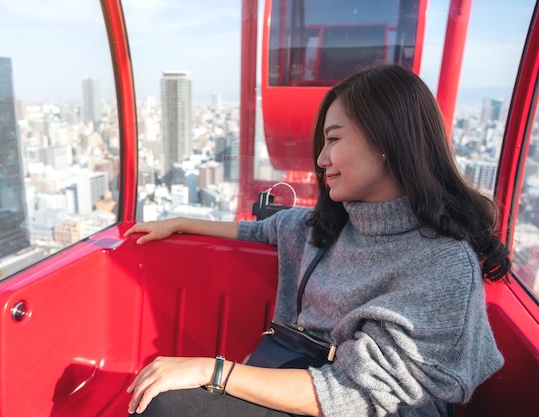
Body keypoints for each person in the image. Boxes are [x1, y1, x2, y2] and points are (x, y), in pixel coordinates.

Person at [122, 65, 510, 417]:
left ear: (387, 141)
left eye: (334, 139)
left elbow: (360, 393)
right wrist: (179, 222)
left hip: (369, 408)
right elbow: (264, 229)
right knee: (159, 398)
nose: (321, 158)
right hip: (304, 371)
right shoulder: (335, 223)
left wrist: (213, 369)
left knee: (166, 405)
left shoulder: (443, 264)